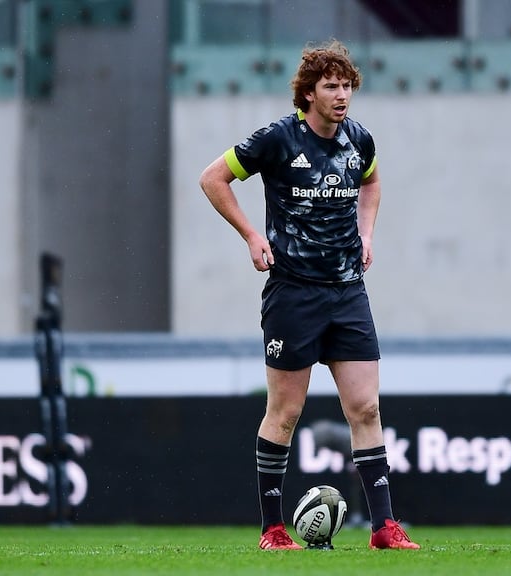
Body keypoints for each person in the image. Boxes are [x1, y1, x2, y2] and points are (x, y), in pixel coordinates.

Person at [198, 39, 419, 551]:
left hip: (347, 293)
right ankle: (273, 530)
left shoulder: (359, 140)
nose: (342, 96)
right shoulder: (277, 138)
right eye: (331, 87)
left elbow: (373, 182)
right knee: (286, 412)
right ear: (309, 93)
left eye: (347, 86)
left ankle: (384, 528)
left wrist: (366, 234)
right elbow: (213, 179)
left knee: (365, 408)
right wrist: (252, 236)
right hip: (293, 294)